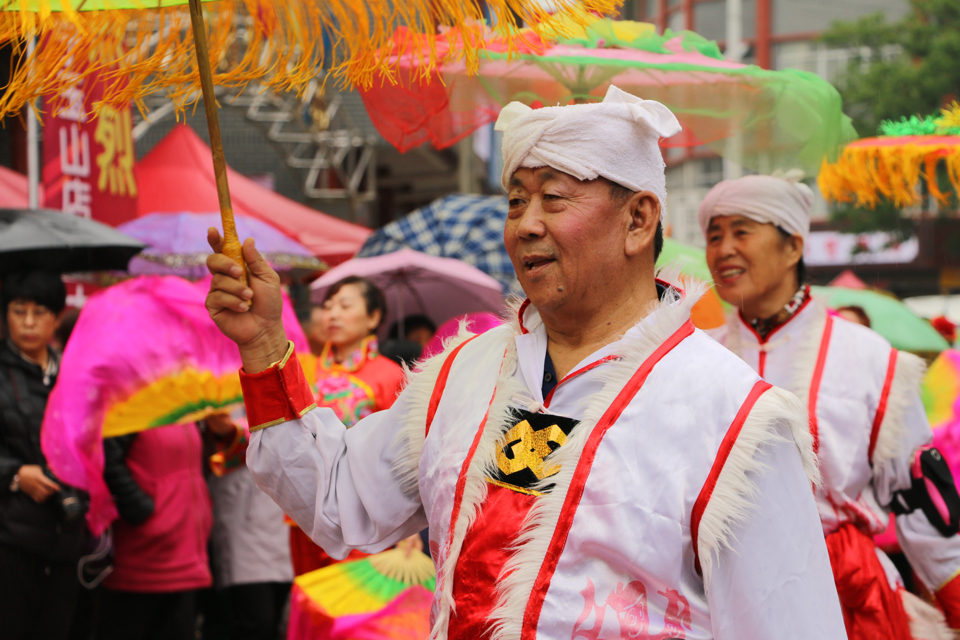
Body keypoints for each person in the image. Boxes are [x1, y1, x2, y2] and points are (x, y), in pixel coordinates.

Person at [205, 85, 845, 639]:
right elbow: (340, 501)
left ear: (638, 219)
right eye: (515, 201)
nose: (525, 225)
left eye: (554, 198)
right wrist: (264, 347)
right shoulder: (464, 372)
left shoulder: (732, 414)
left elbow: (789, 621)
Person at [700, 172, 960, 638]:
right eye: (713, 236)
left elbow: (921, 500)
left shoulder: (867, 356)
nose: (722, 250)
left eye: (742, 231)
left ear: (793, 246)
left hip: (848, 592)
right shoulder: (697, 357)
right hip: (722, 589)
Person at [288, 275, 405, 576]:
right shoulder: (304, 368)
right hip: (305, 509)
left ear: (373, 317)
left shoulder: (390, 375)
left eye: (345, 305)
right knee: (311, 601)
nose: (333, 314)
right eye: (328, 306)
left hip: (363, 512)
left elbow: (404, 452)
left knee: (352, 607)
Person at [0, 271, 87, 640]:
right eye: (20, 312)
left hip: (66, 536)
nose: (30, 322)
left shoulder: (74, 372)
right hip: (9, 538)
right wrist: (16, 475)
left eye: (40, 312)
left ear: (56, 317)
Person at [98, 421, 217, 640]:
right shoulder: (131, 397)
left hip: (185, 551)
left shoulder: (180, 398)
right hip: (144, 557)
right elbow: (107, 460)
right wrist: (142, 511)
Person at [201, 411, 293, 640]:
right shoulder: (214, 390)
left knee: (283, 619)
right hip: (242, 517)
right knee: (256, 620)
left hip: (285, 515)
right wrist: (229, 433)